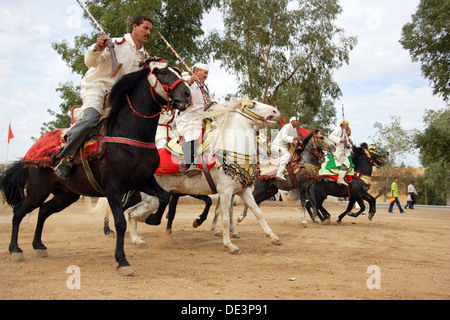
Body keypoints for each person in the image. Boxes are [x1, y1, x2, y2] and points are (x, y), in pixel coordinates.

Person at [54, 15, 153, 179]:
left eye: (150, 29)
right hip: (97, 87)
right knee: (91, 119)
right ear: (135, 27)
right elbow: (91, 62)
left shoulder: (144, 57)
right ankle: (65, 157)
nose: (148, 32)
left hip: (117, 98)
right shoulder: (115, 44)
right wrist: (97, 48)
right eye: (145, 28)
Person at [174, 63, 213, 177]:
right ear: (197, 72)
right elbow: (179, 91)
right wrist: (190, 82)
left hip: (202, 117)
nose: (207, 76)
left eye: (207, 73)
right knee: (192, 132)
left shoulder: (205, 87)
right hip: (189, 117)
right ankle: (189, 164)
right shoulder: (186, 79)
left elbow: (209, 102)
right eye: (205, 73)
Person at [271, 116, 302, 181]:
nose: (298, 123)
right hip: (278, 145)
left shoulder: (294, 130)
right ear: (292, 122)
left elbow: (295, 141)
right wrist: (294, 138)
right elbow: (284, 137)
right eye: (297, 121)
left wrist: (300, 142)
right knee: (287, 155)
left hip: (284, 147)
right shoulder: (287, 126)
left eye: (298, 122)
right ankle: (279, 174)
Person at [328, 120, 353, 186]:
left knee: (348, 163)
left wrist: (347, 144)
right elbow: (330, 136)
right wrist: (340, 140)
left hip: (344, 153)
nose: (348, 126)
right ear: (343, 125)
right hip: (339, 153)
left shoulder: (344, 132)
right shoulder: (338, 129)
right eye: (347, 124)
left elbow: (347, 143)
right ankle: (340, 179)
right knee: (347, 163)